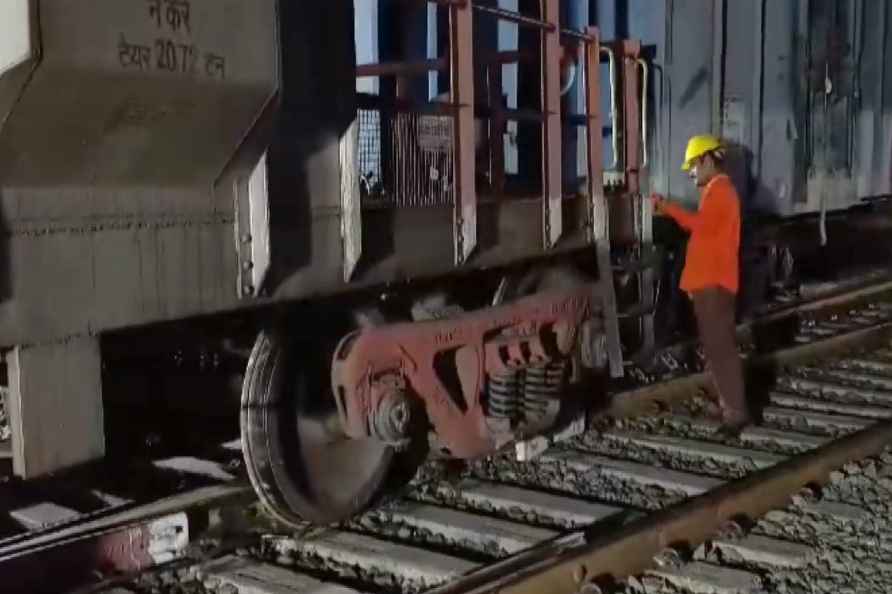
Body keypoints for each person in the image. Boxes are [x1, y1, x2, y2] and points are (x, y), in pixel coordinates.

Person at [650, 135, 751, 434]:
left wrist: (666, 207)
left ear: (707, 160)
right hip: (710, 284)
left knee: (721, 350)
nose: (690, 172)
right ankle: (726, 403)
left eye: (693, 166)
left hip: (715, 285)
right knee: (715, 347)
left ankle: (736, 413)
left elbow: (700, 226)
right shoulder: (716, 191)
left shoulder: (721, 191)